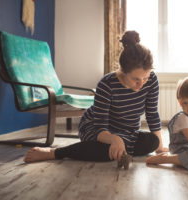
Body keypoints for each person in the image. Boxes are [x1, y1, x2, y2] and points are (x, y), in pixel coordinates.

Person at [24, 30, 168, 164]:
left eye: (146, 77)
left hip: (127, 132)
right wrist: (114, 139)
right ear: (123, 71)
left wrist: (160, 147)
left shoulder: (152, 80)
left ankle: (120, 147)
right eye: (136, 79)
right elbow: (100, 129)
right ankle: (54, 153)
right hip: (97, 129)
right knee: (104, 150)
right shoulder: (107, 84)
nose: (141, 84)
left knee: (152, 141)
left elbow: (152, 114)